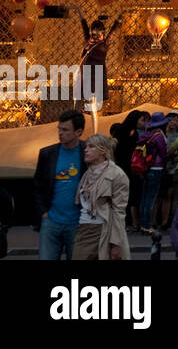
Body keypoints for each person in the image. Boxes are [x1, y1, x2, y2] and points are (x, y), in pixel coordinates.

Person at [33, 109, 87, 260]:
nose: (60, 133)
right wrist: (43, 212)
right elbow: (38, 185)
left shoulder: (88, 152)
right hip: (51, 221)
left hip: (78, 223)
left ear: (79, 132)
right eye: (59, 129)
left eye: (65, 130)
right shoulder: (47, 153)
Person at [72, 133, 130, 260]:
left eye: (91, 147)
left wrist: (115, 243)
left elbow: (119, 211)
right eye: (86, 146)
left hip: (102, 229)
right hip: (84, 227)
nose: (86, 150)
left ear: (102, 151)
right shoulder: (88, 173)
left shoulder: (117, 175)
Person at [109, 108, 147, 231]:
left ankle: (127, 221)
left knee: (129, 193)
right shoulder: (126, 131)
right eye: (142, 120)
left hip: (128, 167)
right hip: (125, 168)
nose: (143, 123)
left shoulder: (132, 131)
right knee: (126, 194)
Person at [135, 111, 170, 232]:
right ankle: (147, 225)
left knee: (144, 197)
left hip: (146, 168)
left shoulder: (145, 135)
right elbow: (163, 153)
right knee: (151, 198)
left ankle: (142, 224)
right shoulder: (158, 136)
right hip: (157, 168)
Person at [154, 111, 178, 231]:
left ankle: (165, 221)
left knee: (168, 195)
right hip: (159, 167)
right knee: (157, 196)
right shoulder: (159, 134)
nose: (173, 122)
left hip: (172, 169)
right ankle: (154, 221)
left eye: (176, 120)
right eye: (171, 119)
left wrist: (174, 154)